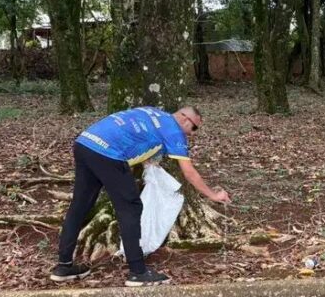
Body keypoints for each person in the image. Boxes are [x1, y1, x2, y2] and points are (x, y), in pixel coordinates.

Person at [51, 106, 231, 287]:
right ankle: (138, 272)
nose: (192, 134)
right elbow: (189, 173)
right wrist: (213, 195)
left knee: (80, 206)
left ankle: (63, 266)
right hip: (109, 155)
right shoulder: (175, 131)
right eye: (194, 129)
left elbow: (136, 134)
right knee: (131, 207)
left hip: (85, 143)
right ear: (186, 120)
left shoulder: (154, 113)